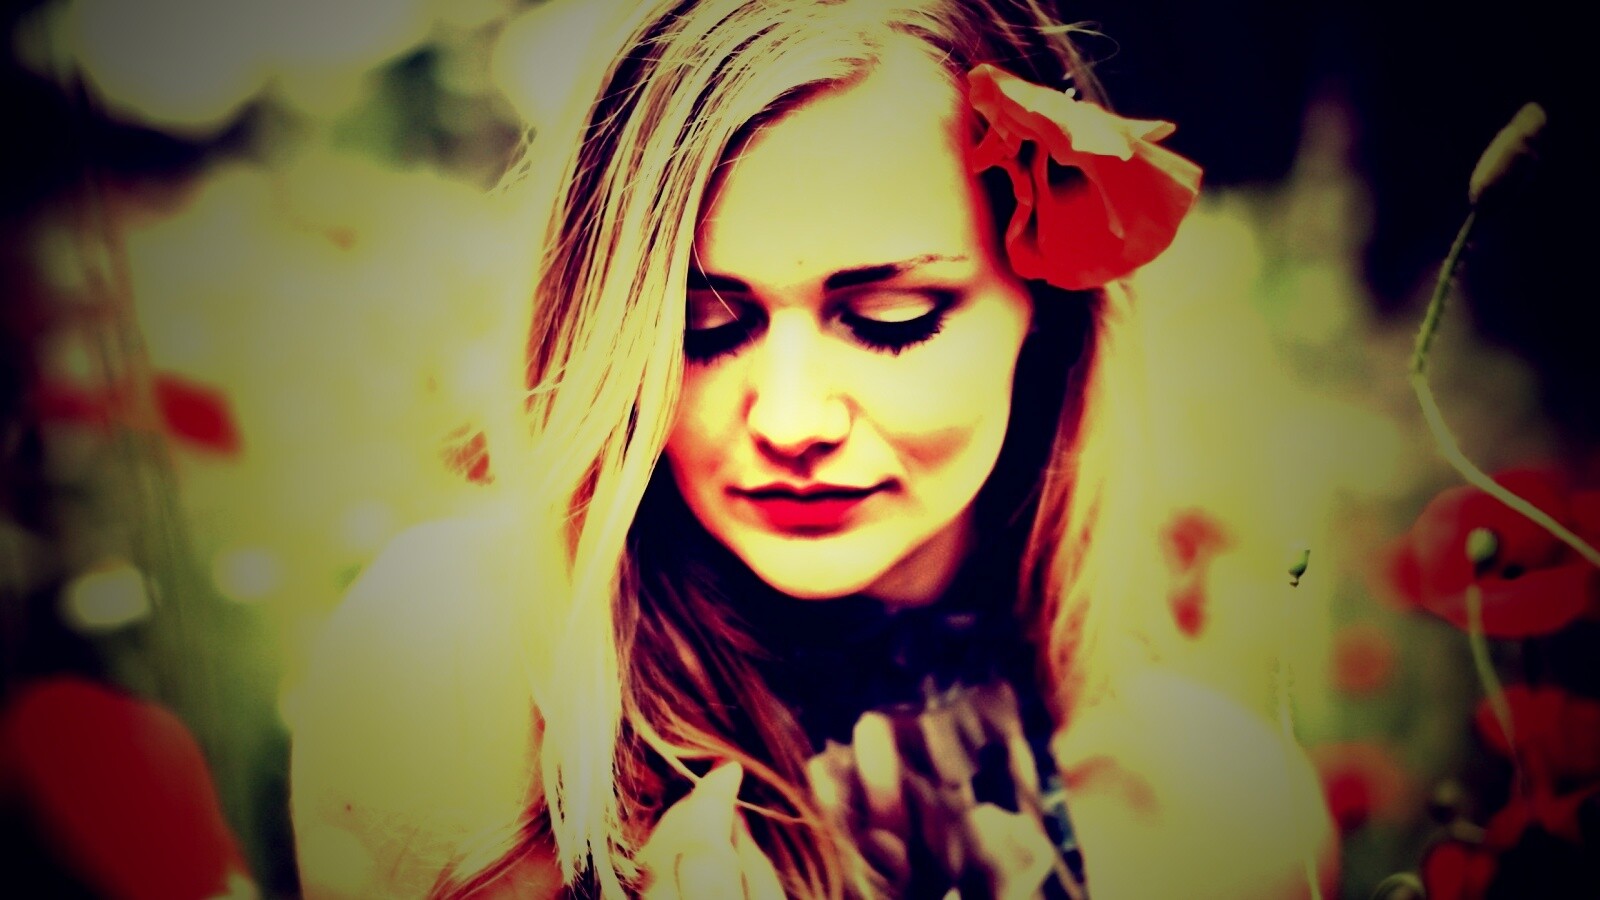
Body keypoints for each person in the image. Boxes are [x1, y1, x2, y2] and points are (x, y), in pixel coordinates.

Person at [288, 0, 1337, 897]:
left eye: (889, 319)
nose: (791, 421)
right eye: (703, 326)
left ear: (1045, 315)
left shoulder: (1227, 820)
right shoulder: (461, 674)